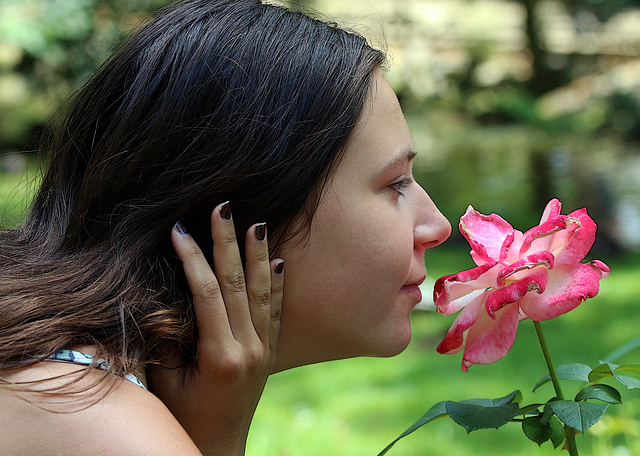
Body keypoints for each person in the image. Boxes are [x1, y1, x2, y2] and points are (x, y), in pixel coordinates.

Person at [0, 0, 451, 454]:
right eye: (395, 184)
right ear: (248, 205)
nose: (437, 226)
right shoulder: (90, 418)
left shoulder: (62, 377)